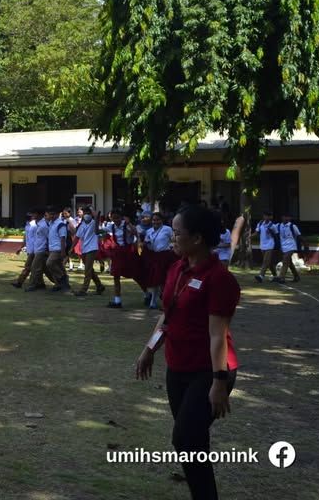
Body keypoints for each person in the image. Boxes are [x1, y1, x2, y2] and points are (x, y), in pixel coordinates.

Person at [134, 204, 239, 500]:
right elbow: (168, 313)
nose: (173, 238)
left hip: (210, 370)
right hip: (177, 368)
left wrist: (219, 382)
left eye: (177, 233)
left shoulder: (220, 279)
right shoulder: (177, 269)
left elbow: (218, 335)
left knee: (185, 438)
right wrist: (149, 349)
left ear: (197, 239)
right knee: (192, 442)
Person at [26, 206, 70, 293]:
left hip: (55, 248)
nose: (50, 216)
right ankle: (60, 284)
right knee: (54, 267)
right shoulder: (50, 224)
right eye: (49, 214)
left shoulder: (59, 224)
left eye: (52, 214)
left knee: (48, 264)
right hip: (49, 248)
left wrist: (63, 251)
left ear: (57, 214)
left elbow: (62, 238)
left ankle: (62, 279)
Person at [107, 209, 145, 309]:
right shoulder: (111, 226)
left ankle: (147, 293)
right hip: (118, 253)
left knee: (136, 274)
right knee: (116, 276)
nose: (116, 220)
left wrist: (129, 223)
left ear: (122, 217)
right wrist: (96, 217)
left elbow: (136, 233)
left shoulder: (126, 225)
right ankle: (117, 300)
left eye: (117, 218)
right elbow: (97, 232)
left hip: (128, 252)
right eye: (113, 218)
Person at [144, 212, 176, 309]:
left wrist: (171, 247)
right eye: (154, 220)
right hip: (155, 256)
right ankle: (153, 302)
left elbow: (174, 239)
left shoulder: (167, 229)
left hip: (166, 256)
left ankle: (165, 302)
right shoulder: (149, 231)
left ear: (162, 220)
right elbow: (147, 243)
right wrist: (147, 243)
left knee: (164, 280)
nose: (156, 222)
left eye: (158, 219)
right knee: (155, 280)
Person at [73, 206, 104, 296]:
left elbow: (96, 217)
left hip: (92, 248)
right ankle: (99, 286)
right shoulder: (82, 225)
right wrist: (72, 247)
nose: (86, 215)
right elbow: (77, 238)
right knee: (90, 270)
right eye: (85, 213)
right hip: (84, 249)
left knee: (87, 270)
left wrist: (93, 211)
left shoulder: (94, 223)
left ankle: (83, 290)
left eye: (88, 213)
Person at [253, 211, 280, 283]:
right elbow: (257, 232)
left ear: (271, 217)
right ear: (263, 216)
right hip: (262, 245)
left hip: (270, 244)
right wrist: (249, 237)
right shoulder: (260, 223)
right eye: (266, 215)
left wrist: (271, 232)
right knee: (269, 262)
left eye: (269, 216)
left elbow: (277, 236)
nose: (267, 217)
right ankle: (276, 276)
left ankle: (261, 276)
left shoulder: (272, 225)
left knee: (265, 261)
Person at [275, 213, 302, 283]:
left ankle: (281, 277)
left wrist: (303, 246)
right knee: (289, 262)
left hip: (291, 246)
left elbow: (299, 236)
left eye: (288, 217)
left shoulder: (293, 226)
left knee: (285, 261)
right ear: (282, 217)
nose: (286, 218)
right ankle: (296, 276)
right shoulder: (278, 226)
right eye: (285, 216)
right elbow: (271, 229)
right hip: (283, 247)